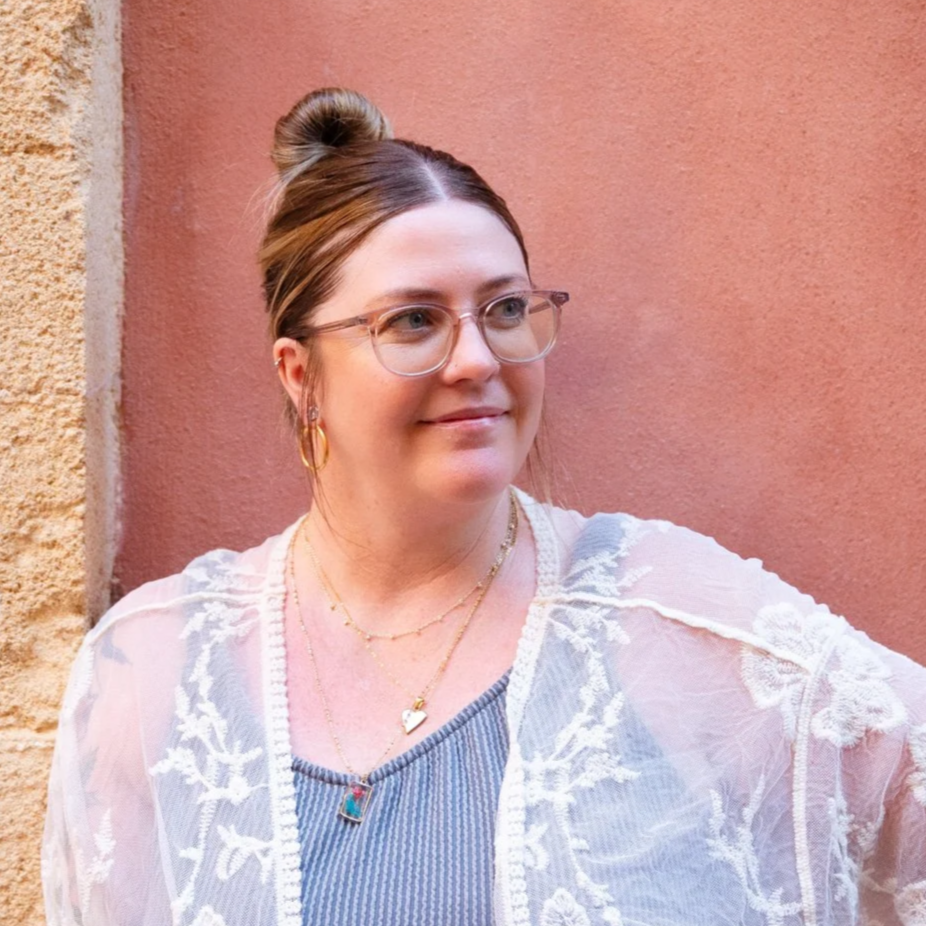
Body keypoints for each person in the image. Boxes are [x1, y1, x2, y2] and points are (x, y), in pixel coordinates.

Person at [42, 88, 925, 926]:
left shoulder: (666, 619)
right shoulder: (158, 669)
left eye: (505, 308)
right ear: (300, 373)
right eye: (414, 322)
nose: (478, 359)